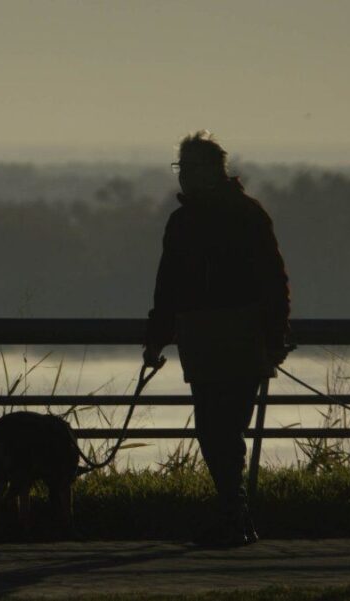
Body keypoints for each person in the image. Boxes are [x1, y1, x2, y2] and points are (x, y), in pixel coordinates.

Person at [144, 131, 290, 547]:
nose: (183, 177)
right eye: (180, 168)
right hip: (215, 341)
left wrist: (275, 335)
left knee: (219, 430)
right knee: (217, 431)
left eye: (188, 168)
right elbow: (167, 289)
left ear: (212, 170)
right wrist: (156, 337)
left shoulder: (231, 216)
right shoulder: (231, 215)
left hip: (230, 339)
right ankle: (236, 517)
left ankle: (233, 518)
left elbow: (272, 283)